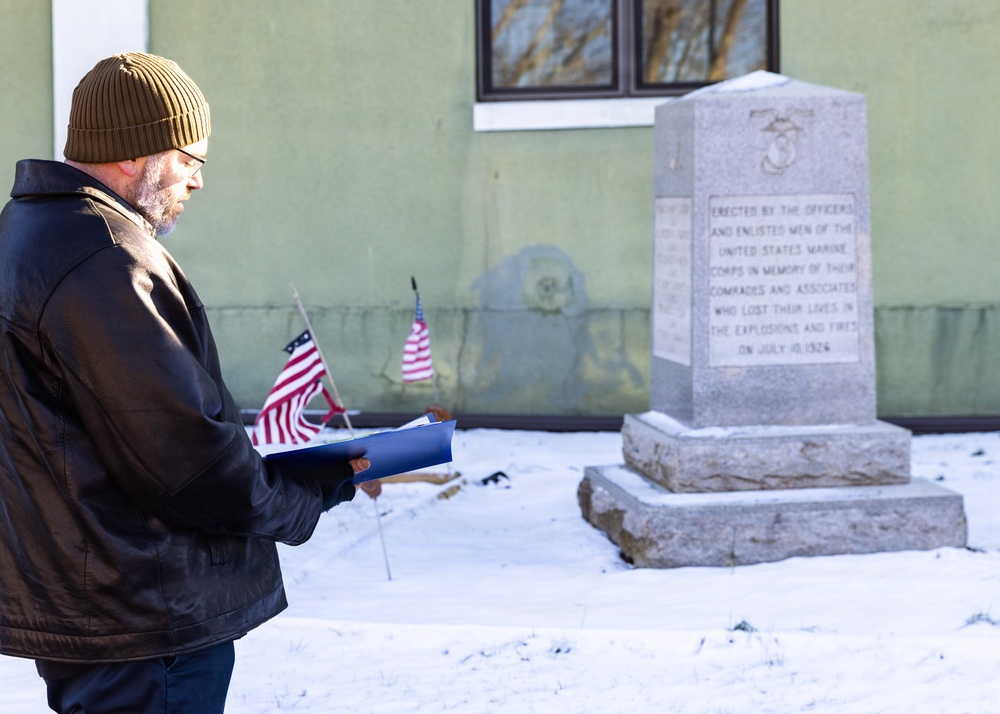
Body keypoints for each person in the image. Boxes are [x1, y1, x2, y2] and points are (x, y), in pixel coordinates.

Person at [0, 52, 378, 713]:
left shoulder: (28, 236)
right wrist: (311, 492)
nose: (198, 181)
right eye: (188, 159)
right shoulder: (102, 258)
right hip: (145, 618)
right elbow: (185, 462)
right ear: (133, 152)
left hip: (97, 606)